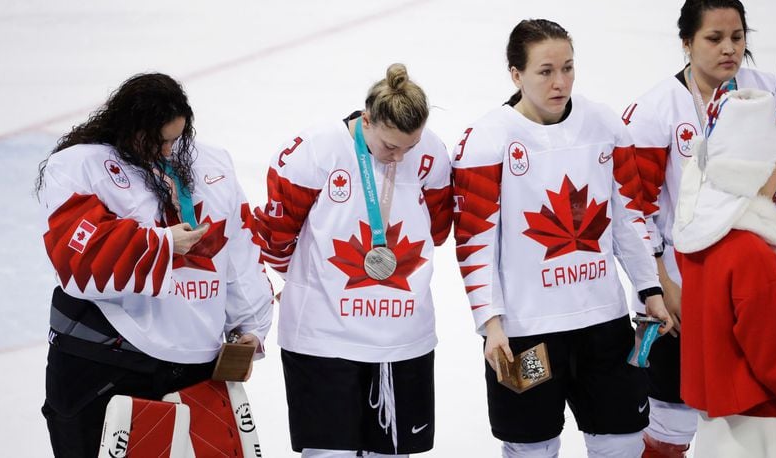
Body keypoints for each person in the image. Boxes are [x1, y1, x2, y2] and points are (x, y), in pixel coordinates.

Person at [451, 19, 673, 458]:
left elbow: (628, 215)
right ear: (515, 75)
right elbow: (475, 242)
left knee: (623, 440)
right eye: (546, 71)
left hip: (604, 328)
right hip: (529, 337)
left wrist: (649, 288)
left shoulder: (604, 124)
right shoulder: (487, 140)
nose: (561, 82)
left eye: (568, 68)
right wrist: (490, 325)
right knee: (531, 446)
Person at [35, 72, 274, 457]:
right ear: (128, 125)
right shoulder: (79, 165)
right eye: (157, 140)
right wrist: (163, 244)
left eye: (175, 139)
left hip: (196, 370)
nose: (167, 151)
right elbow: (77, 261)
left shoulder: (211, 164)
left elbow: (240, 253)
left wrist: (251, 327)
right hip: (107, 365)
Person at [623, 1, 776, 455]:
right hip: (681, 283)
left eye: (737, 37)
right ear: (686, 43)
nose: (729, 48)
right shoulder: (654, 111)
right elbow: (632, 210)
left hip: (753, 274)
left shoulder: (773, 94)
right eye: (713, 38)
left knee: (757, 395)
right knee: (672, 412)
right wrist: (660, 285)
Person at [254, 63, 452, 457]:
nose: (398, 157)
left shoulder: (431, 153)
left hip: (400, 341)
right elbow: (275, 239)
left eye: (409, 147)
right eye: (389, 146)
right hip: (323, 339)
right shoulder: (314, 152)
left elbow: (439, 229)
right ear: (366, 120)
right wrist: (311, 282)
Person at [672, 88, 776, 457]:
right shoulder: (751, 254)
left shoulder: (697, 235)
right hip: (766, 429)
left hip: (719, 429)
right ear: (752, 170)